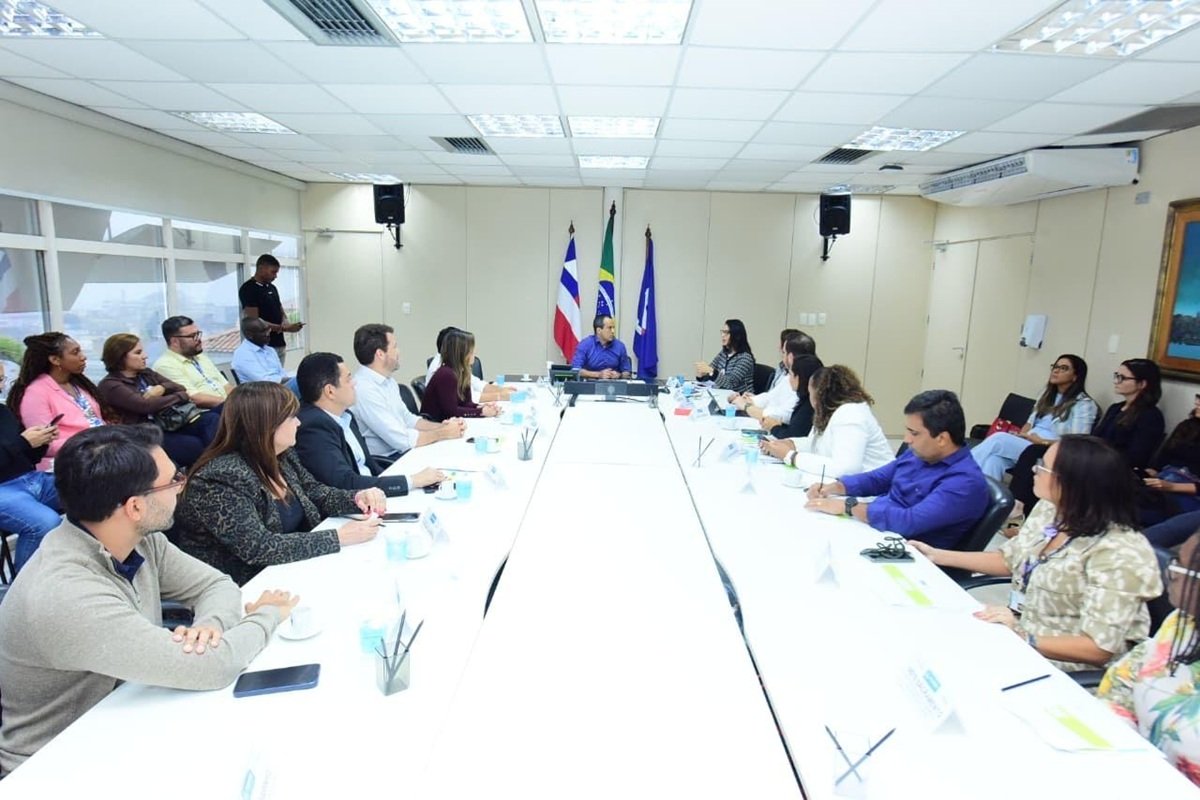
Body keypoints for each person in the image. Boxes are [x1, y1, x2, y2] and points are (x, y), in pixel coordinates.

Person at [0, 425, 298, 774]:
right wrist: (266, 615)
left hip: (126, 718)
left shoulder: (135, 538)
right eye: (173, 481)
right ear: (135, 507)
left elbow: (215, 585)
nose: (181, 486)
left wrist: (209, 628)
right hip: (57, 766)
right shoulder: (65, 594)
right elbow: (212, 667)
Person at [914, 436, 1163, 673]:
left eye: (1043, 466)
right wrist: (936, 556)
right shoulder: (1050, 509)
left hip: (1066, 668)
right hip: (1020, 633)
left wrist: (1022, 636)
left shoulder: (1120, 551)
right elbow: (1011, 559)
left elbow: (1098, 648)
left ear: (1071, 483)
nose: (1034, 469)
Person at [174, 382, 384, 586]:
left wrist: (356, 498)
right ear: (266, 425)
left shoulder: (282, 455)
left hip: (290, 571)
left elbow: (313, 492)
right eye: (292, 417)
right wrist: (338, 537)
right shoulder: (219, 479)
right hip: (246, 588)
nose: (299, 423)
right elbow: (258, 547)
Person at [806, 389, 989, 549]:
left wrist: (848, 507)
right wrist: (836, 487)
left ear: (942, 439)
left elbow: (910, 521)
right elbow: (878, 479)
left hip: (905, 553)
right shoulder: (920, 454)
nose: (907, 439)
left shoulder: (964, 482)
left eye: (914, 433)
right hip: (877, 531)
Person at [1099, 531, 1200, 786]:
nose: (1171, 572)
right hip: (1123, 767)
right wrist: (1114, 741)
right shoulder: (1181, 624)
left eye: (1181, 566)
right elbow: (1122, 681)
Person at [293, 351, 443, 497]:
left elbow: (369, 466)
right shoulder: (314, 427)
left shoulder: (346, 416)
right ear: (330, 391)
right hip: (357, 502)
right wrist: (411, 481)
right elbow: (344, 482)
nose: (354, 383)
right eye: (348, 379)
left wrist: (405, 479)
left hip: (374, 493)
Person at [97, 334, 220, 468]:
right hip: (145, 434)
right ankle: (215, 466)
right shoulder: (111, 385)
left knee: (213, 418)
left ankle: (222, 461)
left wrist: (162, 388)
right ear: (120, 357)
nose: (145, 356)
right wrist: (179, 397)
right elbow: (144, 406)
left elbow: (180, 388)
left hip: (172, 422)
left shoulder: (146, 374)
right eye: (138, 353)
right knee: (194, 446)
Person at [969, 354, 1098, 480]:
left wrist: (1041, 441)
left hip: (1049, 449)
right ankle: (980, 494)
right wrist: (1022, 435)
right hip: (1028, 442)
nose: (1056, 370)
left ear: (1075, 376)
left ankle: (960, 470)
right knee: (994, 461)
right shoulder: (1046, 395)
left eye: (1063, 368)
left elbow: (1077, 442)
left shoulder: (1084, 404)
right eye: (1055, 366)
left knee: (999, 439)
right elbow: (1030, 422)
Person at [352, 323, 464, 460]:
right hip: (391, 461)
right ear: (380, 354)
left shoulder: (388, 381)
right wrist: (443, 433)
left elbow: (408, 419)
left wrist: (443, 426)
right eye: (394, 346)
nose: (398, 351)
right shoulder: (364, 390)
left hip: (405, 451)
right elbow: (400, 440)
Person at [765, 364, 893, 478]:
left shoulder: (851, 414)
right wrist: (790, 444)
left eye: (810, 393)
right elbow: (815, 444)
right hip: (852, 486)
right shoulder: (829, 412)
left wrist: (791, 456)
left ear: (819, 395)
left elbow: (846, 469)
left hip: (875, 491)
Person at [7, 332, 104, 470]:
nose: (83, 357)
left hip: (98, 455)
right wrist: (94, 444)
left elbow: (95, 420)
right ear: (55, 360)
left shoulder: (77, 384)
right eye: (75, 352)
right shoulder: (36, 392)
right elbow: (44, 444)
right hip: (68, 465)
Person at [0, 362, 61, 574]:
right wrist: (23, 443)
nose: (1, 386)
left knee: (97, 489)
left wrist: (41, 441)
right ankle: (24, 590)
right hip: (5, 490)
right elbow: (17, 447)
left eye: (2, 380)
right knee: (44, 523)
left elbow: (25, 456)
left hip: (30, 478)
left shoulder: (3, 412)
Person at [736, 338, 819, 431]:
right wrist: (752, 401)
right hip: (770, 422)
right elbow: (770, 397)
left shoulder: (803, 384)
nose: (782, 356)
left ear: (790, 357)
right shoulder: (790, 375)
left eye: (783, 352)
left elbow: (782, 416)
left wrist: (747, 407)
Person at [152, 316, 232, 409]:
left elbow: (226, 386)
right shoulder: (165, 365)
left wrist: (238, 402)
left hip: (226, 407)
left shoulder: (201, 357)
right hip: (203, 412)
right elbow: (194, 398)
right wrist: (230, 405)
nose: (199, 339)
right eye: (193, 336)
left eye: (198, 334)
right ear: (175, 341)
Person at [421, 329, 500, 422]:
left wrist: (480, 407)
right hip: (436, 425)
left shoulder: (462, 372)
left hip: (450, 422)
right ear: (462, 353)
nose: (474, 353)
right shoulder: (446, 374)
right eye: (471, 350)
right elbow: (451, 411)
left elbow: (466, 403)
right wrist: (481, 412)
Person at [239, 253, 302, 366]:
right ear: (261, 268)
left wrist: (285, 321)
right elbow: (254, 321)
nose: (275, 276)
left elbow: (279, 308)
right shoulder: (248, 289)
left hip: (279, 343)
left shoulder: (272, 288)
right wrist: (284, 329)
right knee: (268, 377)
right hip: (264, 346)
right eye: (273, 272)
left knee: (279, 375)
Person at [425, 326, 513, 403]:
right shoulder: (440, 369)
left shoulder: (455, 363)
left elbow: (475, 384)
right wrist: (500, 396)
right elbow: (464, 400)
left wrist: (501, 390)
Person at [695, 318, 754, 393]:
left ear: (736, 336)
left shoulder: (745, 358)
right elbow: (711, 373)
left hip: (740, 396)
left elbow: (731, 383)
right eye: (722, 332)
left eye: (726, 332)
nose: (723, 335)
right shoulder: (723, 353)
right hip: (723, 394)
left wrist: (710, 371)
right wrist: (701, 375)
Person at [571, 315, 631, 379]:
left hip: (613, 383)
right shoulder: (585, 345)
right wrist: (598, 374)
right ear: (599, 330)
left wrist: (619, 375)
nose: (613, 331)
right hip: (590, 383)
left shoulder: (620, 346)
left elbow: (627, 372)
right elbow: (576, 370)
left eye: (613, 328)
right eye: (609, 328)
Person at [230, 316, 286, 383]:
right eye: (263, 331)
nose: (268, 334)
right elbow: (264, 381)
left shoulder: (270, 350)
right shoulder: (242, 354)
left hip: (279, 386)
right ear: (249, 335)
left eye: (268, 330)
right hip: (260, 388)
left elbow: (282, 373)